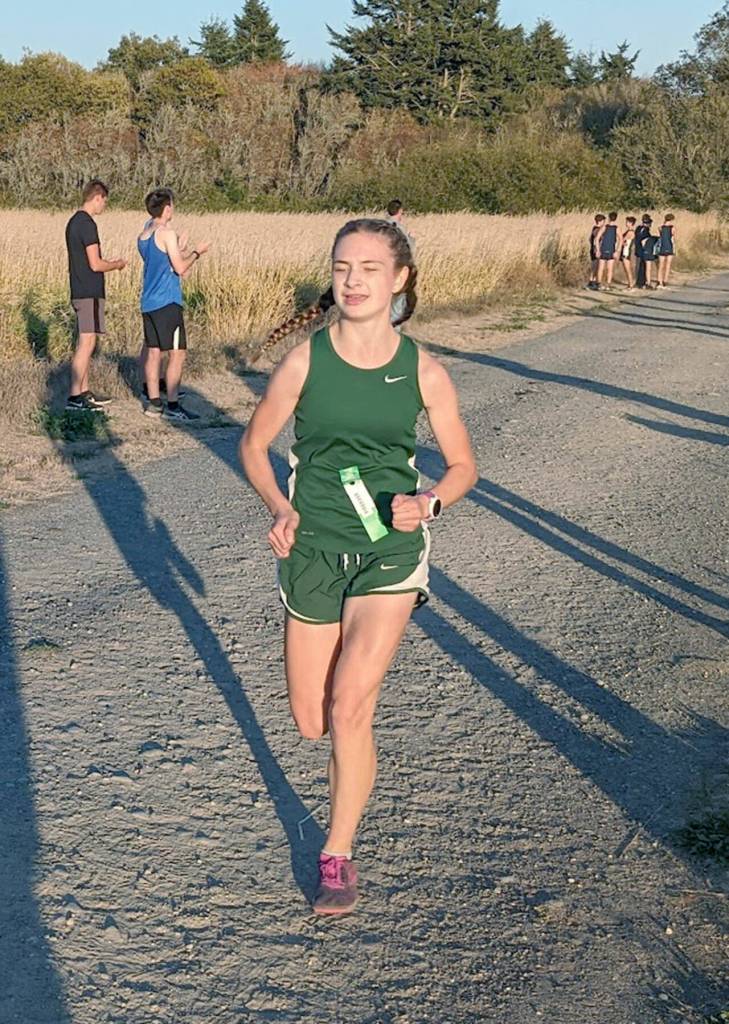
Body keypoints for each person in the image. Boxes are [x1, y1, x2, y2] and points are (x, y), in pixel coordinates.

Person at [239, 218, 477, 916]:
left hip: (388, 552)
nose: (353, 279)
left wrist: (429, 501)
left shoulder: (422, 370)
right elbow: (254, 447)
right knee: (311, 720)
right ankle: (345, 766)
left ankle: (336, 853)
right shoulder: (304, 362)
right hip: (313, 549)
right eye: (343, 267)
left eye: (370, 268)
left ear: (399, 280)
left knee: (350, 707)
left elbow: (463, 466)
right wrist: (279, 507)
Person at [137, 188, 209, 421]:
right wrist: (197, 252)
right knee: (177, 353)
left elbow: (163, 263)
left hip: (149, 301)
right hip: (167, 301)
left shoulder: (145, 233)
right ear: (167, 208)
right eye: (172, 206)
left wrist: (180, 247)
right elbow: (180, 268)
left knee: (154, 351)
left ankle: (153, 403)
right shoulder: (166, 233)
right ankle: (174, 405)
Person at [64, 180, 126, 411]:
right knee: (86, 342)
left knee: (88, 343)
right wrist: (117, 264)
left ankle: (84, 391)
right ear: (97, 197)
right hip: (88, 290)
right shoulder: (87, 224)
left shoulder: (73, 222)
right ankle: (74, 396)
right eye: (104, 202)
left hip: (79, 288)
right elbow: (96, 263)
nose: (104, 207)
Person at [386, 200, 415, 329]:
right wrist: (412, 238)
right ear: (400, 211)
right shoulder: (400, 229)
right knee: (397, 305)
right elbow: (408, 251)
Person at [597, 212, 619, 290]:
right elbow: (621, 239)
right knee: (609, 269)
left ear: (609, 218)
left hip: (604, 249)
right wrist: (617, 250)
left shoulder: (605, 227)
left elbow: (597, 238)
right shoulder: (616, 228)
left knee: (602, 268)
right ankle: (607, 285)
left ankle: (600, 284)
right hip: (610, 249)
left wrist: (598, 249)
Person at [634, 214, 655, 289]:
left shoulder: (638, 228)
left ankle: (639, 282)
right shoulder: (645, 230)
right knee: (643, 266)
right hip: (643, 250)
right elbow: (644, 241)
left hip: (637, 249)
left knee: (639, 266)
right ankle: (642, 282)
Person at [657, 214, 676, 288]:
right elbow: (673, 238)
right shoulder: (672, 228)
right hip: (669, 246)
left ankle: (659, 281)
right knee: (668, 265)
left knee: (661, 265)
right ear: (671, 220)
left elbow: (661, 236)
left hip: (662, 246)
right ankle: (665, 280)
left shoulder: (660, 227)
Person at [587, 214, 606, 290]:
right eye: (603, 221)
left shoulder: (594, 228)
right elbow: (596, 239)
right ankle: (591, 282)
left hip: (593, 249)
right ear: (600, 221)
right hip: (595, 250)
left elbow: (590, 239)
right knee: (595, 266)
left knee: (596, 266)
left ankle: (593, 281)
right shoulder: (597, 229)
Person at [620, 216, 637, 290]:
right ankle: (629, 284)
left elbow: (623, 241)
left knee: (627, 269)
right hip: (625, 251)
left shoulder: (630, 232)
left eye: (627, 222)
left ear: (631, 223)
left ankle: (631, 285)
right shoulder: (628, 231)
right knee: (626, 269)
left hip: (626, 251)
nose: (626, 223)